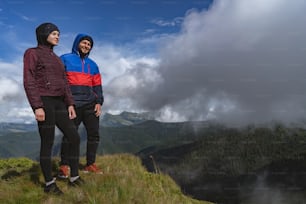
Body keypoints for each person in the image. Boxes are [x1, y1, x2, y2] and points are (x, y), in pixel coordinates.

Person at [23, 22, 84, 194]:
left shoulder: (57, 59)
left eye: (58, 34)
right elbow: (29, 80)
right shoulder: (32, 53)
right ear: (44, 34)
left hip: (60, 103)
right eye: (54, 33)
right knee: (47, 142)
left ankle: (74, 178)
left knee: (74, 137)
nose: (58, 36)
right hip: (44, 102)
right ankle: (49, 184)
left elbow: (65, 83)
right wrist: (37, 106)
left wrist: (70, 103)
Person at [58, 33, 104, 178]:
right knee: (69, 135)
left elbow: (97, 85)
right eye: (84, 43)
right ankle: (64, 165)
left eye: (89, 45)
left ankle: (90, 164)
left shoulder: (93, 65)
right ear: (77, 43)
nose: (86, 46)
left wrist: (98, 102)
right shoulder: (65, 59)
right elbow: (59, 81)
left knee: (94, 135)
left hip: (90, 104)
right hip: (72, 104)